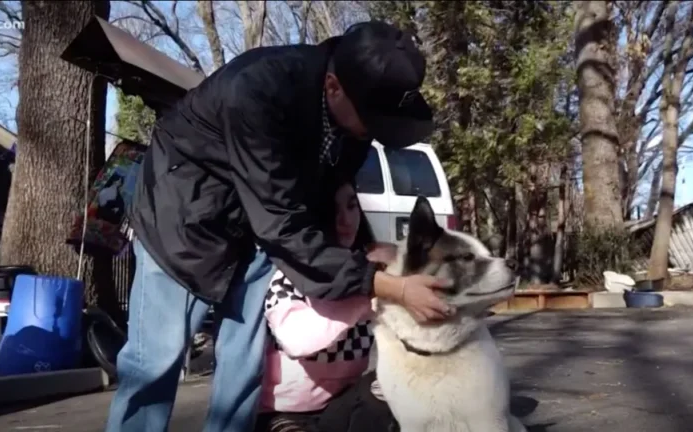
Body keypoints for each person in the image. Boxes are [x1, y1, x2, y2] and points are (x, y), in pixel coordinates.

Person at [106, 21, 453, 432]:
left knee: (244, 362)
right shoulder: (256, 90)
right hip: (182, 218)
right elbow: (283, 225)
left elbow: (329, 192)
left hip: (259, 228)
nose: (373, 133)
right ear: (332, 87)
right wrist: (388, 285)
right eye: (371, 121)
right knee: (156, 360)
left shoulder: (356, 112)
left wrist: (365, 252)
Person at [256, 180, 397, 432]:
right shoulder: (287, 276)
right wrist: (365, 297)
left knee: (392, 387)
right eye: (333, 210)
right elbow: (298, 340)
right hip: (285, 414)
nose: (345, 220)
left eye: (352, 207)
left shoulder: (372, 272)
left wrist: (401, 263)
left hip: (342, 407)